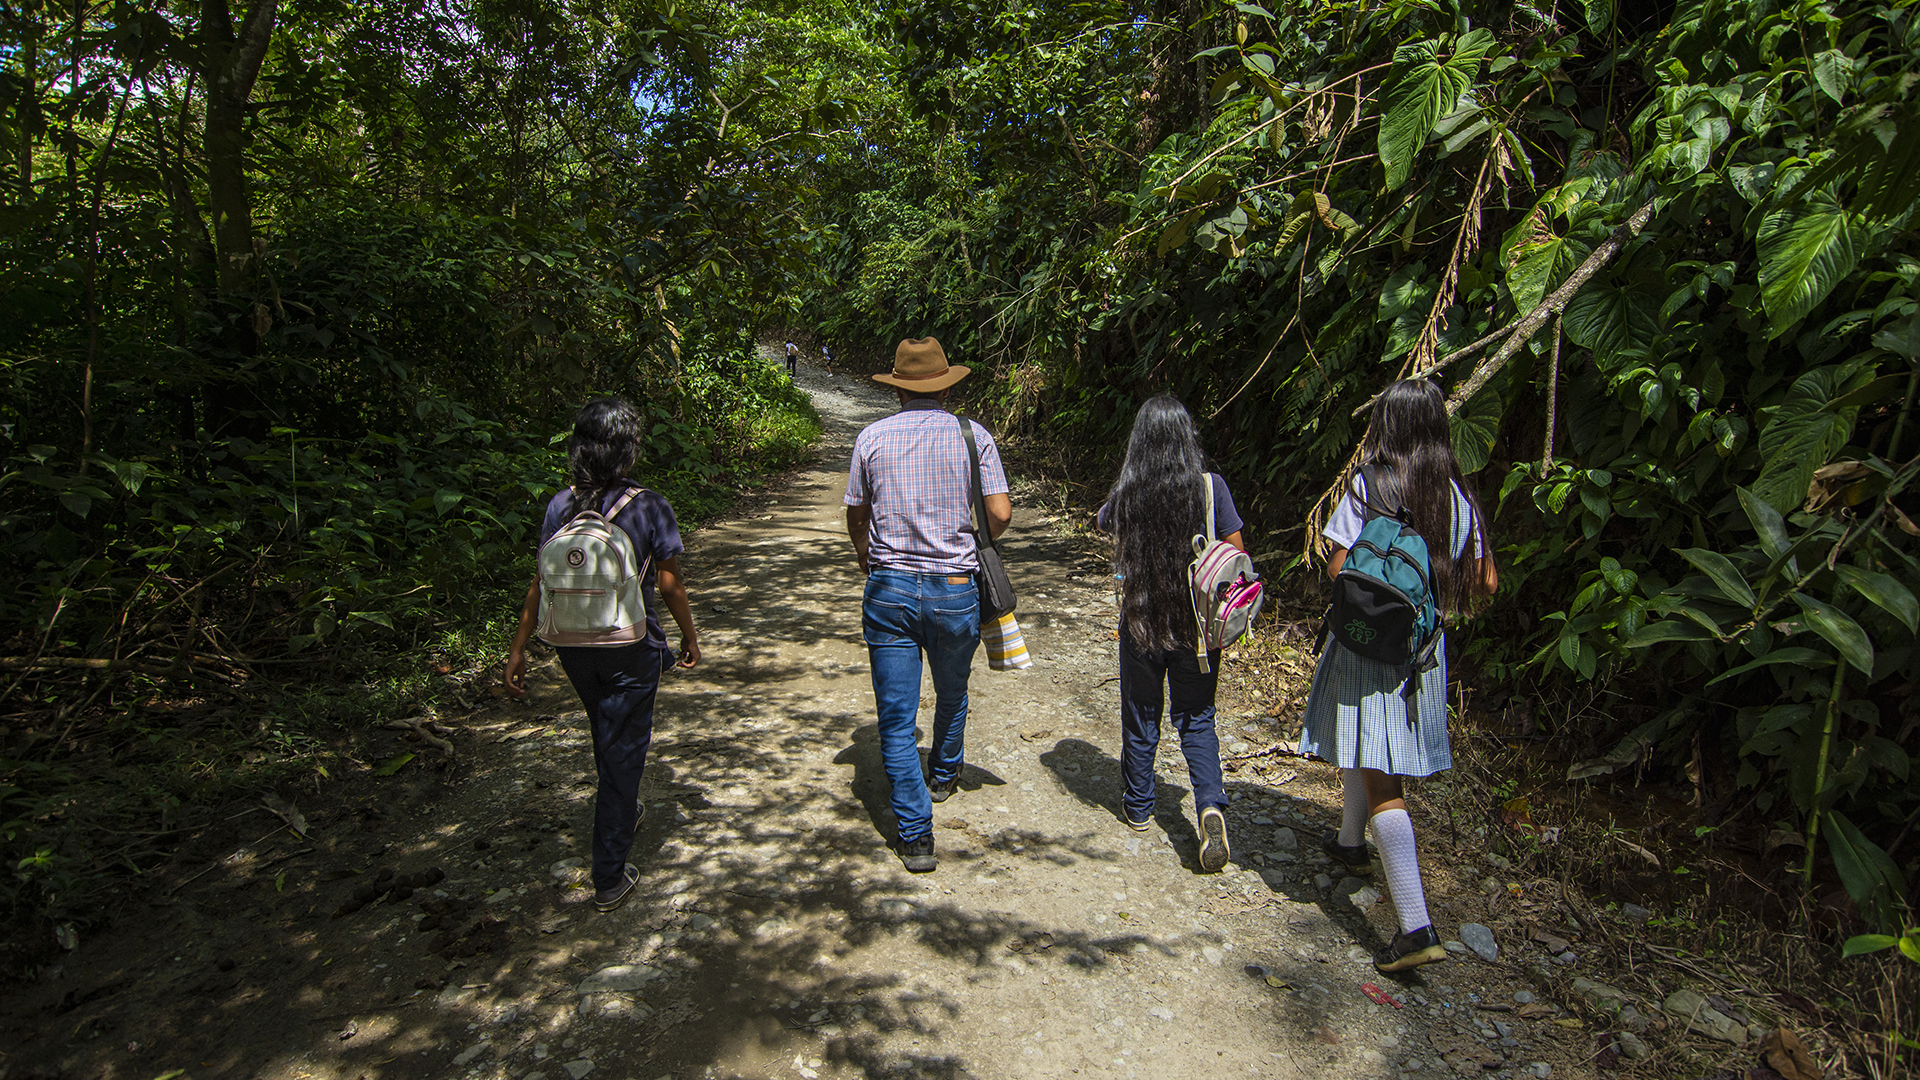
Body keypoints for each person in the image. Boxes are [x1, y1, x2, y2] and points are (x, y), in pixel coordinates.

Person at [1300, 378, 1496, 972]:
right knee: (1372, 749)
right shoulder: (1456, 497)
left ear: (1388, 425)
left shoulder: (1369, 484)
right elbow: (1484, 584)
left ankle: (1415, 926)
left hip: (1366, 647)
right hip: (1419, 655)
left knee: (1386, 782)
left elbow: (1336, 563)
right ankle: (1349, 843)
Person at [503, 397, 702, 913]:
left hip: (570, 645)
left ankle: (623, 808)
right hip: (630, 646)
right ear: (628, 450)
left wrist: (519, 647)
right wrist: (690, 636)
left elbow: (540, 581)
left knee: (606, 730)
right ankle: (609, 875)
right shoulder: (649, 505)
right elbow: (669, 583)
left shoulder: (558, 505)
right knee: (623, 749)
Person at [844, 338, 1011, 873]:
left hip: (889, 587)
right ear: (945, 384)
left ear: (897, 387)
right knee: (953, 689)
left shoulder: (871, 438)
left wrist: (869, 560)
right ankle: (943, 774)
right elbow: (1001, 515)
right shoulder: (973, 436)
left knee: (894, 722)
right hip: (954, 588)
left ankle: (915, 838)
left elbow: (856, 515)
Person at [1096, 395, 1245, 873]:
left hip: (1141, 623)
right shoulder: (1210, 488)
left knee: (1142, 712)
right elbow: (1236, 555)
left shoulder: (1129, 491)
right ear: (1188, 438)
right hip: (1198, 628)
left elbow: (1103, 522)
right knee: (1197, 718)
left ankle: (1139, 807)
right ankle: (1209, 806)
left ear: (1139, 443)